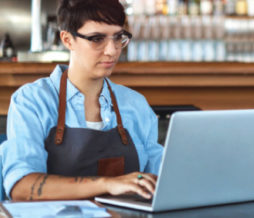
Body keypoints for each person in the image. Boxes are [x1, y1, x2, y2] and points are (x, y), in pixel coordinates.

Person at [1, 0, 163, 200]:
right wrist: (108, 183)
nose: (112, 50)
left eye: (118, 37)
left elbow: (161, 179)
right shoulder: (32, 101)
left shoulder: (136, 105)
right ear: (67, 40)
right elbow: (22, 188)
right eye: (97, 39)